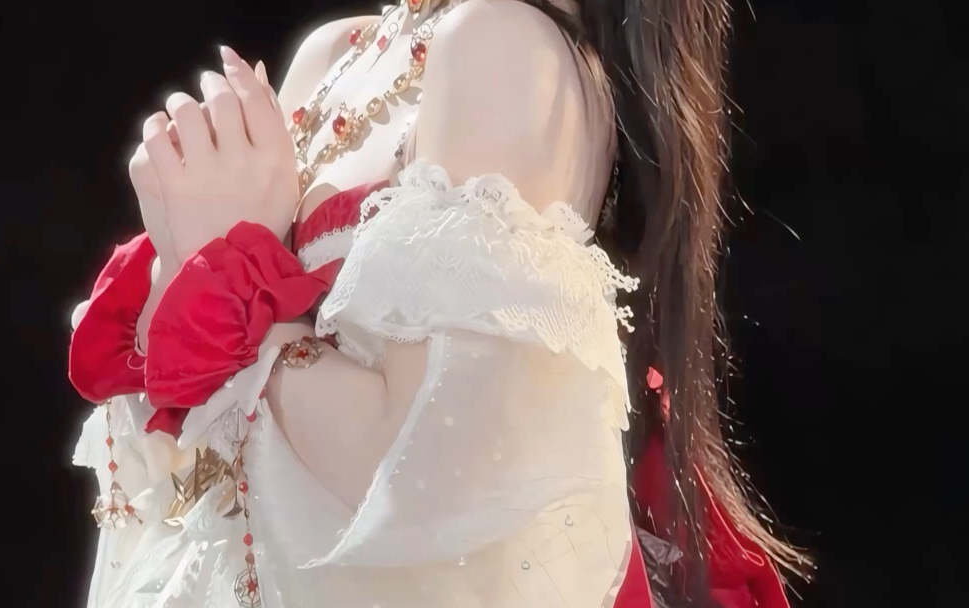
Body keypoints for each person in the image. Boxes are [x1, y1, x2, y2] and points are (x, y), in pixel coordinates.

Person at [67, 0, 809, 606]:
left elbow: (423, 490)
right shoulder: (336, 53)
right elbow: (191, 473)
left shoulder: (504, 45)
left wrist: (223, 276)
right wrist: (189, 270)